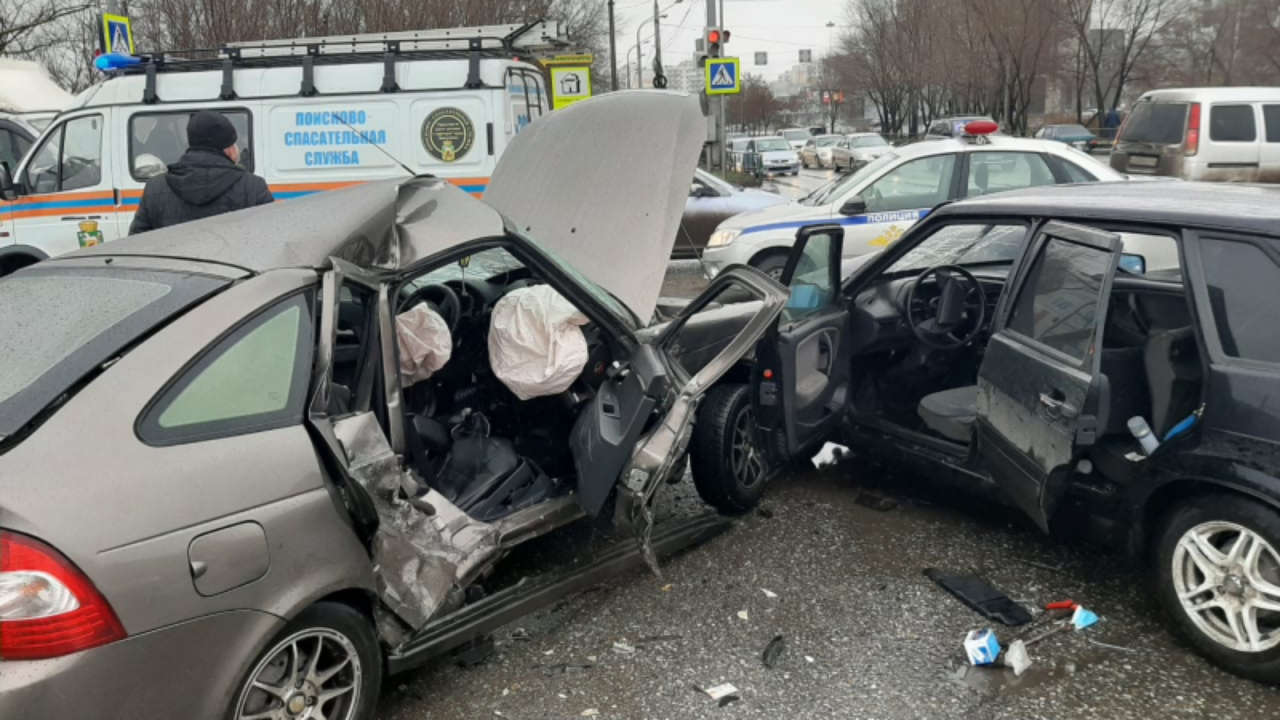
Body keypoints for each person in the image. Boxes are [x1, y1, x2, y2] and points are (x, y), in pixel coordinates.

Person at [129, 110, 272, 234]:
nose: (237, 149)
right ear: (227, 150)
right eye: (234, 143)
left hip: (173, 266)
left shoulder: (155, 189)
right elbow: (270, 236)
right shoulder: (253, 187)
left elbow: (137, 245)